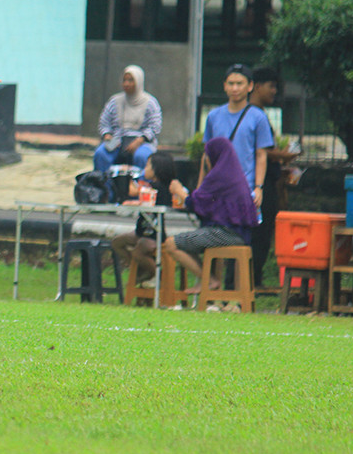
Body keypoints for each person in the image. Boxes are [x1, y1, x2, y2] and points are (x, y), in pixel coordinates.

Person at [163, 137, 260, 303]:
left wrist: (179, 191)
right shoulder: (234, 174)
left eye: (206, 156)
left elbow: (196, 203)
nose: (206, 160)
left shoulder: (219, 175)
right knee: (189, 242)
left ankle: (210, 280)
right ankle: (208, 280)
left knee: (170, 244)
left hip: (227, 233)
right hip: (240, 234)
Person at [248, 66, 300, 287]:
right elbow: (260, 151)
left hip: (270, 181)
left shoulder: (260, 114)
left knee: (262, 235)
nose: (274, 92)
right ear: (257, 87)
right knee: (257, 236)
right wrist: (284, 155)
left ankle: (254, 279)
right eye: (271, 87)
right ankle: (251, 281)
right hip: (259, 186)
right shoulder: (252, 114)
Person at [201, 63, 274, 203]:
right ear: (225, 86)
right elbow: (207, 156)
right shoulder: (213, 116)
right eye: (231, 83)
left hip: (245, 188)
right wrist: (201, 188)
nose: (235, 88)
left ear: (250, 86)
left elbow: (261, 155)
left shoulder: (258, 117)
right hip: (218, 188)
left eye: (239, 84)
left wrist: (258, 187)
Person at [111, 151, 178, 286]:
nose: (144, 169)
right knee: (117, 242)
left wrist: (128, 176)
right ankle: (139, 270)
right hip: (141, 231)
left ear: (157, 169)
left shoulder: (161, 188)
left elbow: (135, 192)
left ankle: (157, 274)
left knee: (139, 251)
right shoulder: (150, 187)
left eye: (147, 166)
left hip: (154, 234)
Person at [93, 64, 162, 172]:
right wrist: (107, 136)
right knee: (100, 153)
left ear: (138, 82)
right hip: (117, 140)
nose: (126, 84)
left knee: (142, 156)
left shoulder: (150, 103)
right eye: (124, 80)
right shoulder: (114, 101)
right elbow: (104, 122)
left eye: (131, 80)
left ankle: (140, 185)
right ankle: (104, 186)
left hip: (142, 142)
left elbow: (155, 126)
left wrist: (139, 140)